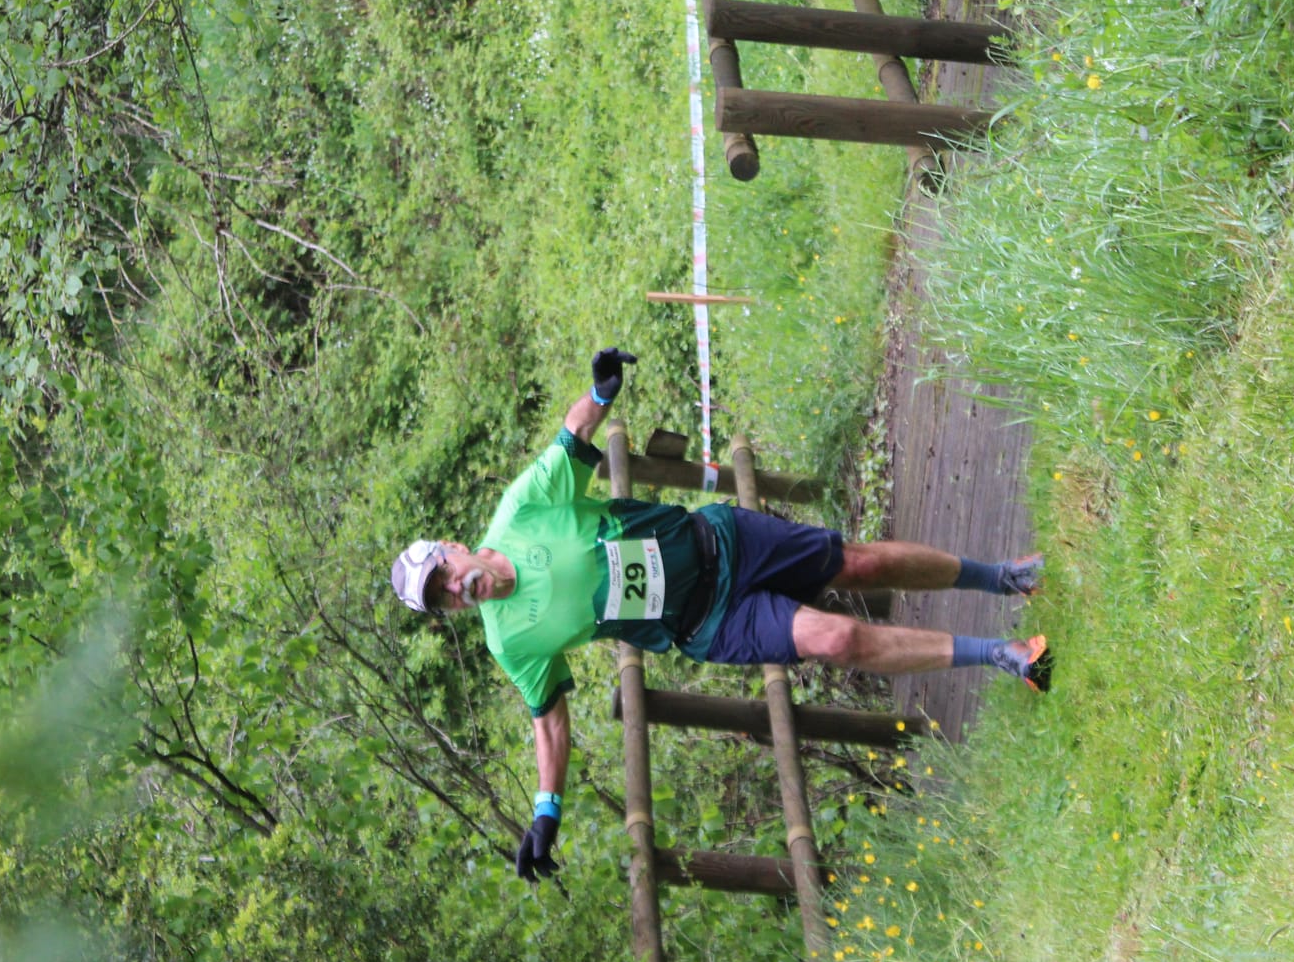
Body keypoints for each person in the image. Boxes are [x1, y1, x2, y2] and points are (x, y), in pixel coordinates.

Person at [389, 348, 1051, 884]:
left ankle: (1003, 577)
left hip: (722, 539)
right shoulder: (512, 639)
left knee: (859, 564)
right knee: (837, 634)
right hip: (707, 623)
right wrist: (545, 812)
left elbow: (573, 433)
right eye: (441, 597)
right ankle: (1002, 654)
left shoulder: (520, 509)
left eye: (443, 572)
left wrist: (602, 387)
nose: (454, 588)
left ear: (452, 547)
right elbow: (550, 723)